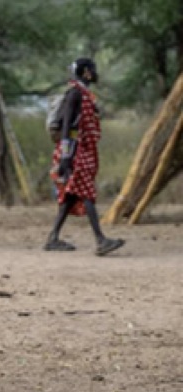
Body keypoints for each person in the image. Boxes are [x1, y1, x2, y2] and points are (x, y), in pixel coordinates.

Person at [44, 57, 125, 256]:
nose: (96, 73)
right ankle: (100, 240)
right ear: (86, 72)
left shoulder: (84, 94)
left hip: (79, 149)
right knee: (86, 190)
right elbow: (66, 125)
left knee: (71, 195)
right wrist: (65, 156)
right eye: (94, 70)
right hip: (73, 150)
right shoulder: (74, 94)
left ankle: (53, 238)